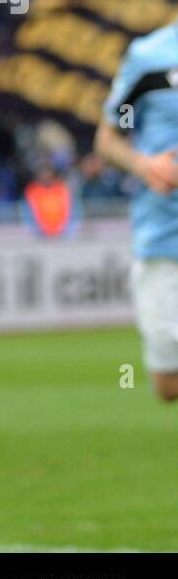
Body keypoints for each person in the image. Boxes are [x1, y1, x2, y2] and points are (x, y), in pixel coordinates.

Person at [95, 22, 178, 402]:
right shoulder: (148, 57)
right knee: (166, 383)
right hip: (163, 234)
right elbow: (109, 138)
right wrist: (145, 166)